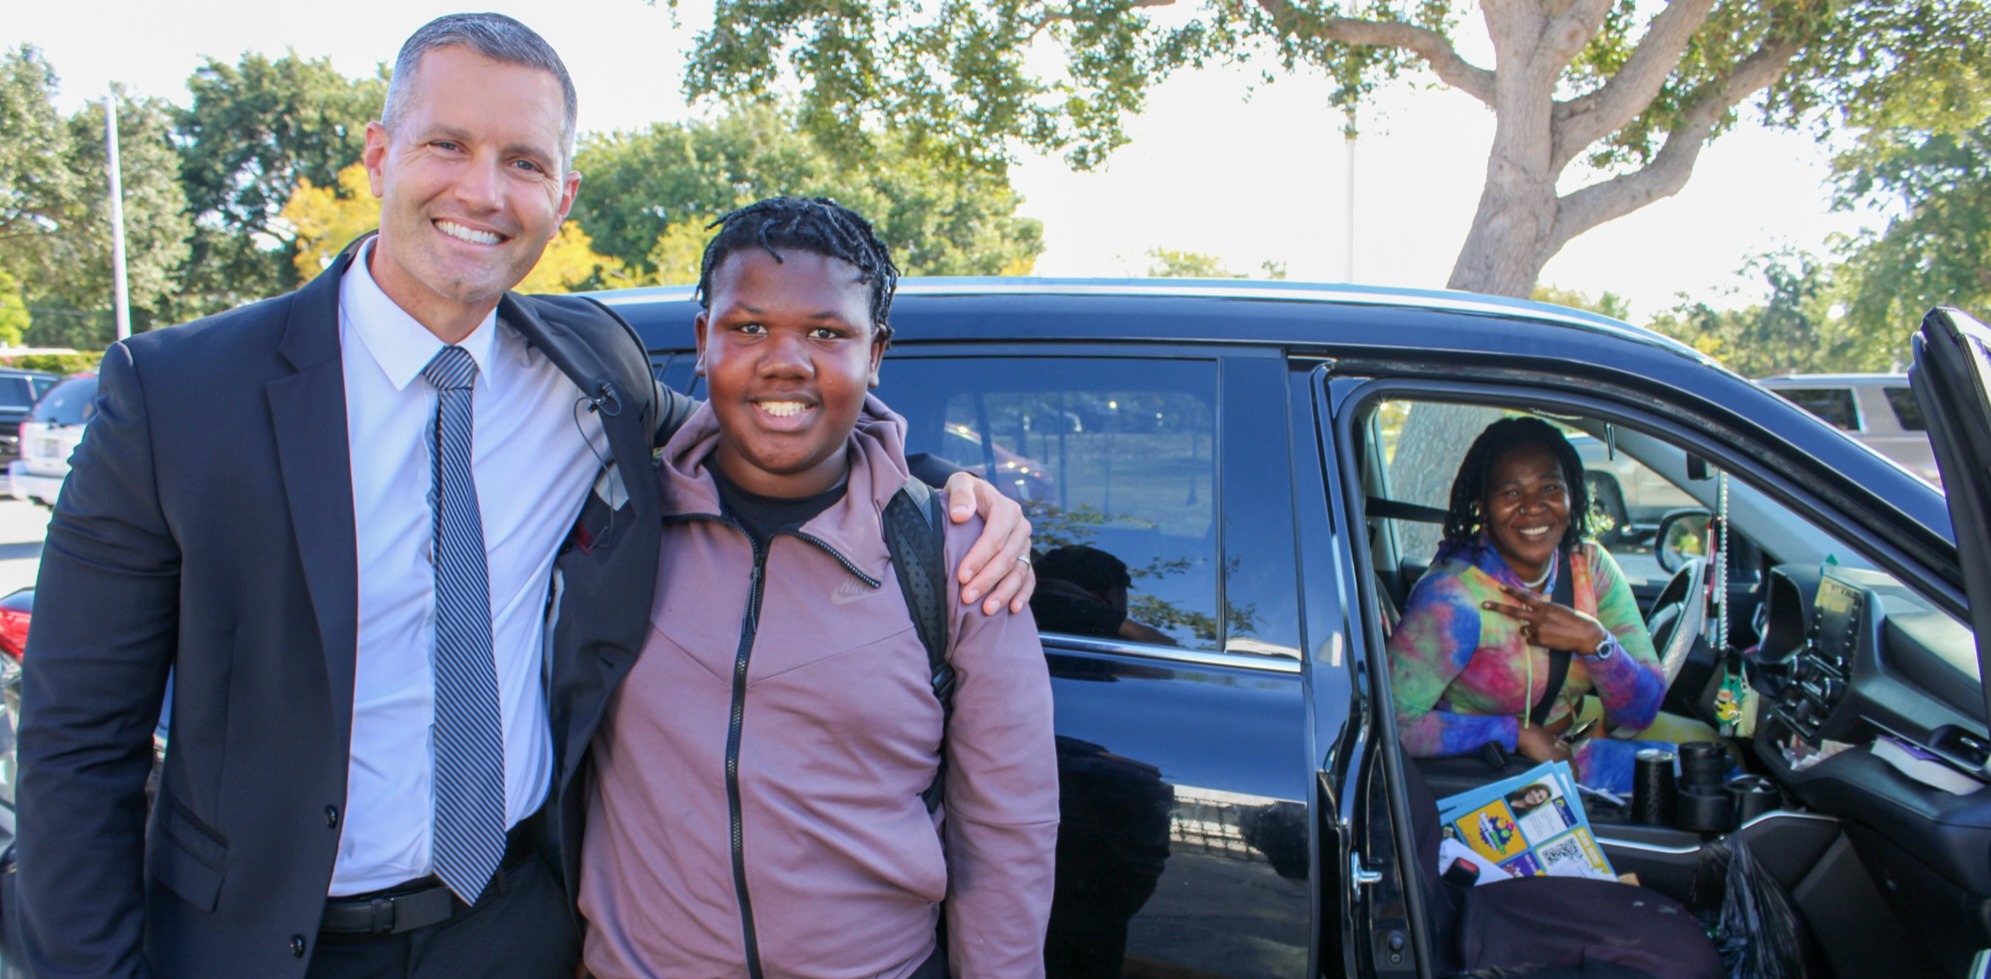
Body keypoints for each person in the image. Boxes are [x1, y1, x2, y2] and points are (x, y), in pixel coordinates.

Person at [13, 17, 1033, 979]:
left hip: (511, 927)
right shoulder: (177, 394)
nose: (482, 192)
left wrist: (959, 492)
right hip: (263, 940)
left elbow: (765, 423)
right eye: (447, 145)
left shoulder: (589, 370)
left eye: (524, 163)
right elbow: (75, 743)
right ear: (378, 157)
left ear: (564, 195)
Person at [578, 197, 1059, 979]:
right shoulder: (618, 516)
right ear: (703, 343)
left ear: (874, 354)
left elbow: (1008, 831)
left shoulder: (955, 555)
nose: (785, 359)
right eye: (749, 326)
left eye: (827, 333)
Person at [1388, 416, 1666, 794]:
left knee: (1707, 776)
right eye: (1511, 493)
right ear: (1482, 505)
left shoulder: (1589, 566)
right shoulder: (1453, 598)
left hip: (1570, 755)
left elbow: (1641, 712)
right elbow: (1393, 727)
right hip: (1488, 774)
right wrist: (1513, 733)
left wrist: (1595, 642)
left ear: (1573, 494)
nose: (1533, 508)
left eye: (1550, 487)